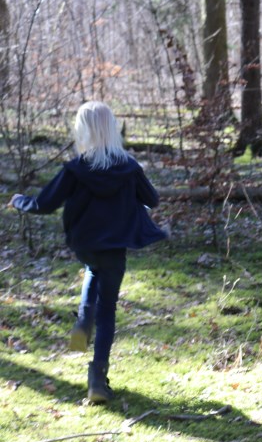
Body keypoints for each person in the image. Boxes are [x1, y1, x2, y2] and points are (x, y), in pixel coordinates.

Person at [8, 101, 167, 404]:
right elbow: (152, 198)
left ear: (83, 130)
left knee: (92, 272)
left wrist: (20, 201)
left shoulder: (75, 169)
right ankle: (97, 379)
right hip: (114, 247)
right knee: (107, 311)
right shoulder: (129, 168)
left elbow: (45, 203)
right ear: (112, 128)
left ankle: (82, 324)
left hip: (86, 245)